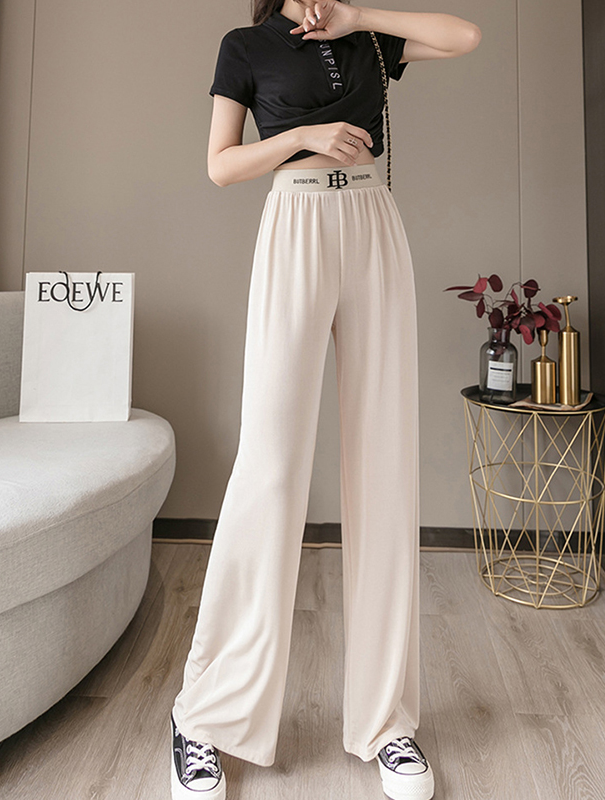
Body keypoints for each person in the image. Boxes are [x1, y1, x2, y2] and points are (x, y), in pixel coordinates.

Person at [170, 2, 481, 798]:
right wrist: (302, 137)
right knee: (270, 468)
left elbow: (466, 37)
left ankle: (388, 723)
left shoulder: (367, 34)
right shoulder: (246, 45)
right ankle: (206, 719)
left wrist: (355, 16)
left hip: (373, 221)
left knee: (384, 464)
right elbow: (221, 165)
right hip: (297, 221)